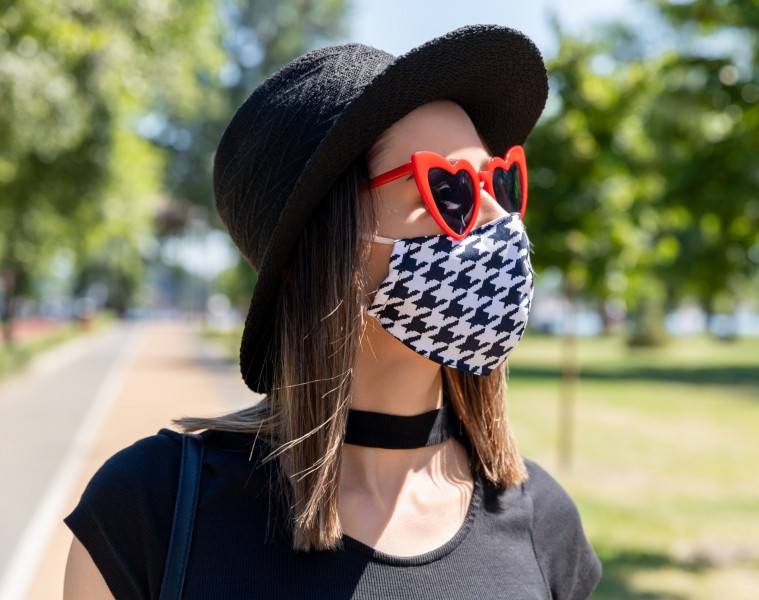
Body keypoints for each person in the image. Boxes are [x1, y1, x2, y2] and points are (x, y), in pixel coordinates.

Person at [63, 25, 602, 599]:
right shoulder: (150, 511)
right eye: (449, 190)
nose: (501, 220)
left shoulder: (545, 524)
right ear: (320, 249)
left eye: (499, 182)